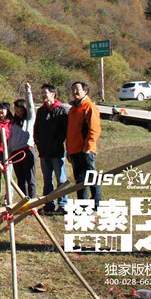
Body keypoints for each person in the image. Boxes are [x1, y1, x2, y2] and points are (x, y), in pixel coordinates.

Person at [33, 84, 69, 214]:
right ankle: (49, 204)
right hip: (44, 151)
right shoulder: (41, 111)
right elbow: (36, 128)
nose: (43, 95)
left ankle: (63, 204)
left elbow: (65, 130)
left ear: (53, 94)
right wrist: (38, 142)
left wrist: (56, 142)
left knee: (61, 179)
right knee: (47, 179)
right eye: (41, 93)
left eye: (45, 93)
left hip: (57, 151)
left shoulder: (61, 110)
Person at [67, 81, 102, 210]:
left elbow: (95, 129)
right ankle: (82, 206)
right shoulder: (72, 110)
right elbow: (70, 131)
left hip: (86, 150)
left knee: (91, 178)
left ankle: (97, 205)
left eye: (77, 89)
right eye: (73, 89)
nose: (74, 92)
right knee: (79, 180)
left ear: (85, 91)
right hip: (74, 149)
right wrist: (68, 149)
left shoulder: (89, 107)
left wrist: (88, 147)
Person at [8, 83, 37, 199]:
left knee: (30, 178)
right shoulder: (14, 121)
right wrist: (9, 153)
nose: (16, 110)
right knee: (21, 179)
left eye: (18, 107)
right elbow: (11, 138)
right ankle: (24, 201)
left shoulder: (29, 118)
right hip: (15, 152)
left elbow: (30, 105)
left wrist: (28, 91)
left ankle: (33, 201)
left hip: (26, 150)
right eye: (15, 108)